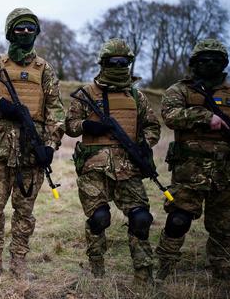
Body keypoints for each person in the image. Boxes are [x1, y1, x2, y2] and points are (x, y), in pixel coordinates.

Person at [0, 8, 64, 280]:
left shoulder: (44, 69)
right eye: (19, 28)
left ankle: (19, 262)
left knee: (24, 212)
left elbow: (55, 112)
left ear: (36, 33)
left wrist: (49, 145)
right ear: (10, 32)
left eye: (30, 28)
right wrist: (0, 105)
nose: (25, 33)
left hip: (31, 151)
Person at [66, 38, 160, 284]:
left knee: (141, 219)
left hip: (129, 168)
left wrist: (145, 143)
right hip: (93, 168)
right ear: (103, 63)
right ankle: (96, 269)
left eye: (123, 62)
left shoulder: (137, 96)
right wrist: (88, 125)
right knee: (99, 218)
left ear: (129, 63)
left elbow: (152, 126)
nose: (118, 65)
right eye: (113, 62)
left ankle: (143, 275)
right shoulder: (86, 94)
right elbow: (70, 126)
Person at [156, 38, 230, 282]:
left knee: (225, 225)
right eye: (204, 59)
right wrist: (204, 117)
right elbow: (170, 115)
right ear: (194, 63)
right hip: (189, 170)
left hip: (226, 171)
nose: (209, 64)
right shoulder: (180, 90)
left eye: (215, 60)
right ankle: (164, 266)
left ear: (224, 63)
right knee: (178, 220)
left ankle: (223, 268)